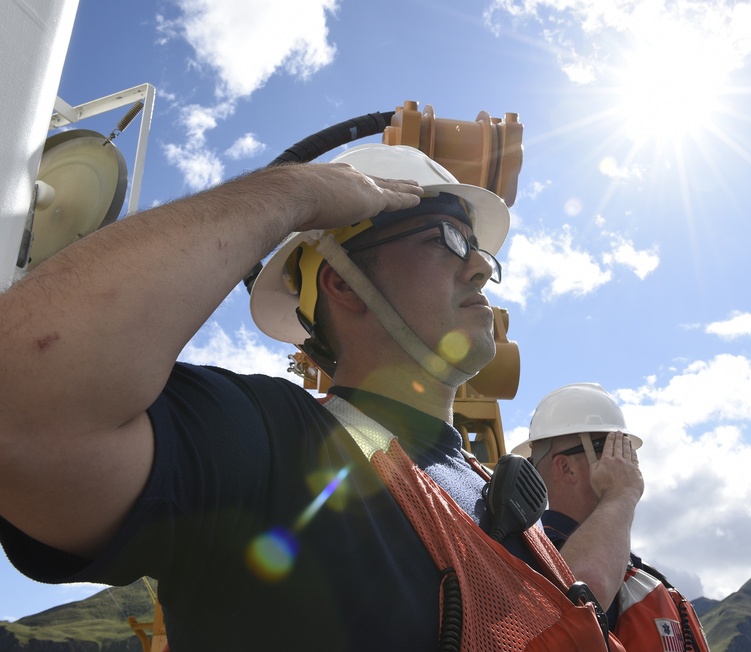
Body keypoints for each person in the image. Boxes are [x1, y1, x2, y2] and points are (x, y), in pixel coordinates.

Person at [0, 144, 621, 651]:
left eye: (479, 249)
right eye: (445, 238)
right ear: (342, 285)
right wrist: (296, 194)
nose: (482, 268)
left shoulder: (504, 498)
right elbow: (20, 408)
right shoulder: (273, 445)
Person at [513, 383, 711, 651]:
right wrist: (621, 493)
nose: (624, 460)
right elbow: (578, 602)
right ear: (566, 467)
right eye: (607, 447)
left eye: (626, 448)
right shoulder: (527, 557)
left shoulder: (636, 572)